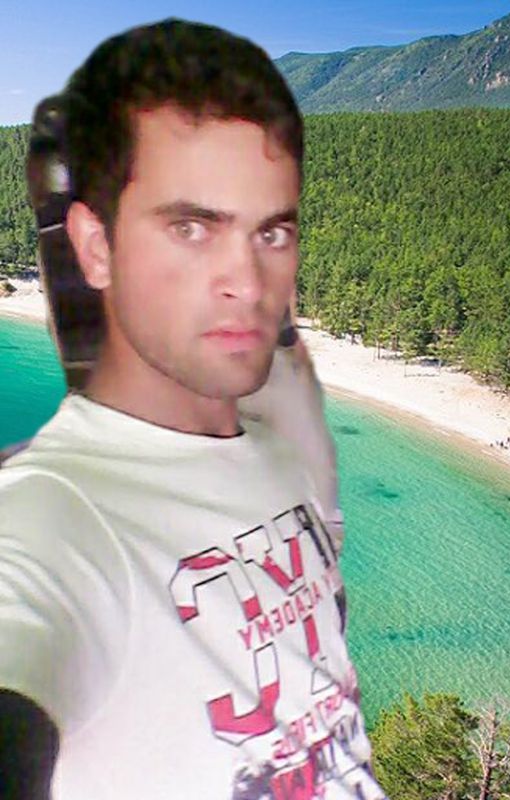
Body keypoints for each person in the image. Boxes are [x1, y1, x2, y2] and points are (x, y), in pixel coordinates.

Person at [0, 19, 385, 800]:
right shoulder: (55, 515)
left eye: (271, 231)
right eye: (189, 225)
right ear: (94, 247)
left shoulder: (277, 452)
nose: (246, 280)